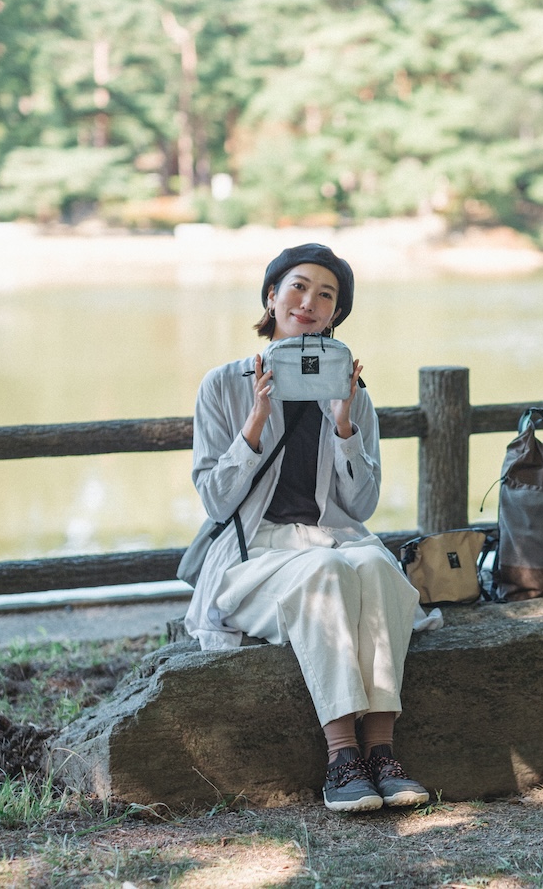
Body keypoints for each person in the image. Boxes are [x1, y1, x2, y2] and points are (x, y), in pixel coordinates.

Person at [183, 243, 431, 813]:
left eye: (327, 295)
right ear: (271, 297)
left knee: (374, 563)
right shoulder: (223, 385)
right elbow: (216, 501)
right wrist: (255, 421)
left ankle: (383, 753)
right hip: (255, 558)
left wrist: (344, 421)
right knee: (329, 569)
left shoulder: (351, 393)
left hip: (336, 545)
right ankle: (342, 757)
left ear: (336, 315)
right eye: (297, 286)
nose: (309, 302)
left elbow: (362, 506)